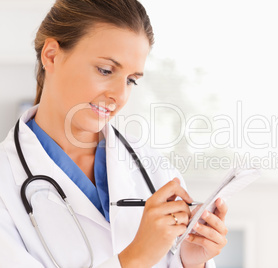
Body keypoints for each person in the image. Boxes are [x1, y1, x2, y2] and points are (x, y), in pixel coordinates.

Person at [0, 0, 228, 267]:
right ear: (51, 56)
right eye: (105, 70)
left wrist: (191, 262)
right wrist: (136, 258)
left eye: (131, 80)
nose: (119, 95)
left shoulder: (155, 170)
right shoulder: (6, 182)